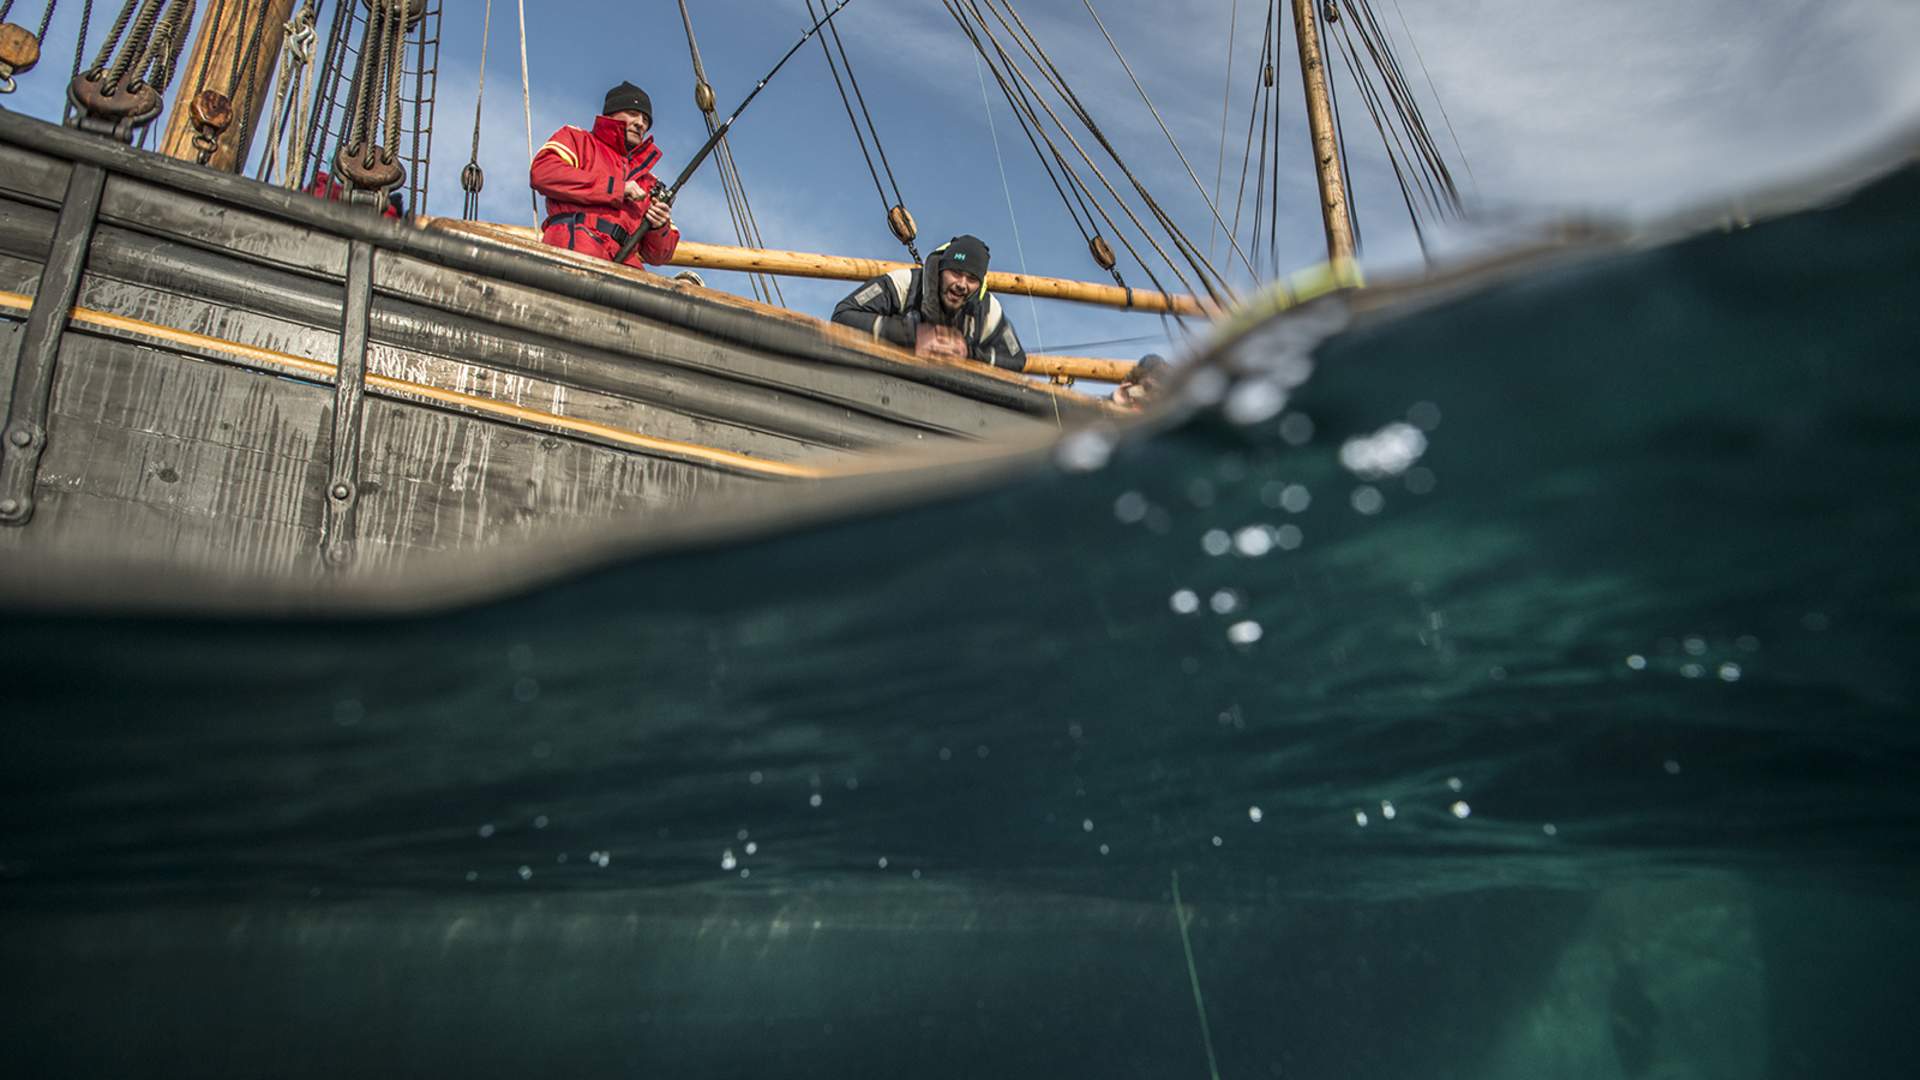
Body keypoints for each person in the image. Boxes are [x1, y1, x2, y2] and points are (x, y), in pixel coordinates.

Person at [529, 81, 679, 268]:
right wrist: (617, 188)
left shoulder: (650, 182)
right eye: (633, 114)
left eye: (646, 120)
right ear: (611, 114)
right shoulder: (577, 140)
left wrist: (659, 226)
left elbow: (659, 256)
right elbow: (544, 172)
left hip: (626, 274)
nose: (640, 123)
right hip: (574, 255)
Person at [830, 235, 1026, 372]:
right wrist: (911, 335)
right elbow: (843, 315)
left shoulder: (988, 309)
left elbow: (1016, 359)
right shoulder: (905, 284)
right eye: (956, 273)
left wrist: (969, 352)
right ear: (941, 270)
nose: (962, 285)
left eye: (972, 279)